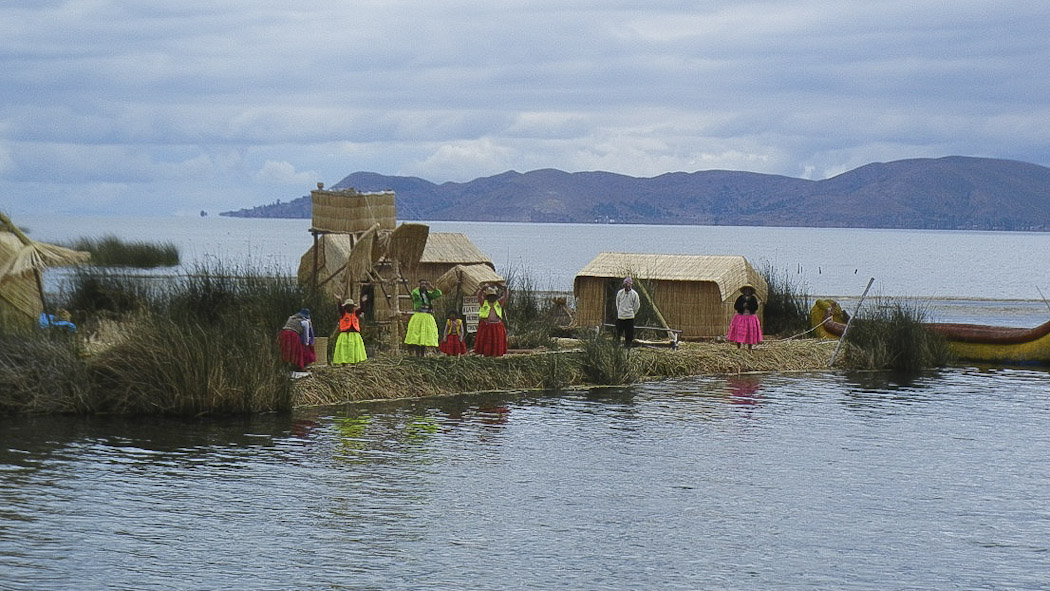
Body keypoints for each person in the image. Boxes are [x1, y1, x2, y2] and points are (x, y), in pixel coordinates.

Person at [404, 279, 441, 357]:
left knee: (424, 337)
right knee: (418, 336)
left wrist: (431, 287)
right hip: (419, 316)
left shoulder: (428, 295)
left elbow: (438, 293)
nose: (424, 285)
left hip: (427, 317)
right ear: (419, 285)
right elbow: (414, 293)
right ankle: (417, 355)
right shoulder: (416, 293)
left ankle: (422, 354)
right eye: (422, 284)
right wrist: (419, 288)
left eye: (425, 284)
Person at [474, 284, 508, 357]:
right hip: (486, 325)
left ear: (495, 297)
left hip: (497, 326)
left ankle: (496, 354)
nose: (491, 298)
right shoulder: (483, 303)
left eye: (493, 296)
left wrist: (505, 290)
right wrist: (483, 289)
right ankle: (486, 354)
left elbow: (505, 297)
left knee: (496, 341)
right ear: (487, 297)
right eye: (490, 296)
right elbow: (479, 296)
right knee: (486, 341)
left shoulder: (498, 303)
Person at [726, 285, 763, 351]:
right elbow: (736, 306)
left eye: (749, 290)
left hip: (750, 317)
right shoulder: (740, 298)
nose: (747, 291)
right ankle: (738, 347)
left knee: (750, 332)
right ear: (744, 291)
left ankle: (749, 348)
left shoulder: (753, 299)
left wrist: (748, 306)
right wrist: (742, 306)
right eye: (746, 290)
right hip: (741, 317)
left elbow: (755, 307)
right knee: (739, 332)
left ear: (751, 291)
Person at [333, 298, 367, 365]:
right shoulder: (343, 314)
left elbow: (362, 309)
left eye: (351, 306)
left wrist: (362, 302)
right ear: (346, 307)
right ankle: (344, 363)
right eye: (348, 306)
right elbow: (339, 308)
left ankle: (354, 362)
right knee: (345, 349)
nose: (350, 308)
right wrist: (339, 300)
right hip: (345, 335)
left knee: (354, 349)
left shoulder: (356, 314)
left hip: (355, 335)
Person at [615, 276, 641, 347]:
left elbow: (637, 305)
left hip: (629, 317)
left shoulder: (634, 294)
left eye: (628, 284)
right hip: (620, 317)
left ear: (631, 285)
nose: (627, 286)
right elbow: (617, 303)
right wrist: (620, 312)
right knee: (618, 333)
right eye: (625, 284)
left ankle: (627, 347)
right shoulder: (620, 293)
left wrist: (632, 313)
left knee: (629, 335)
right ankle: (617, 347)